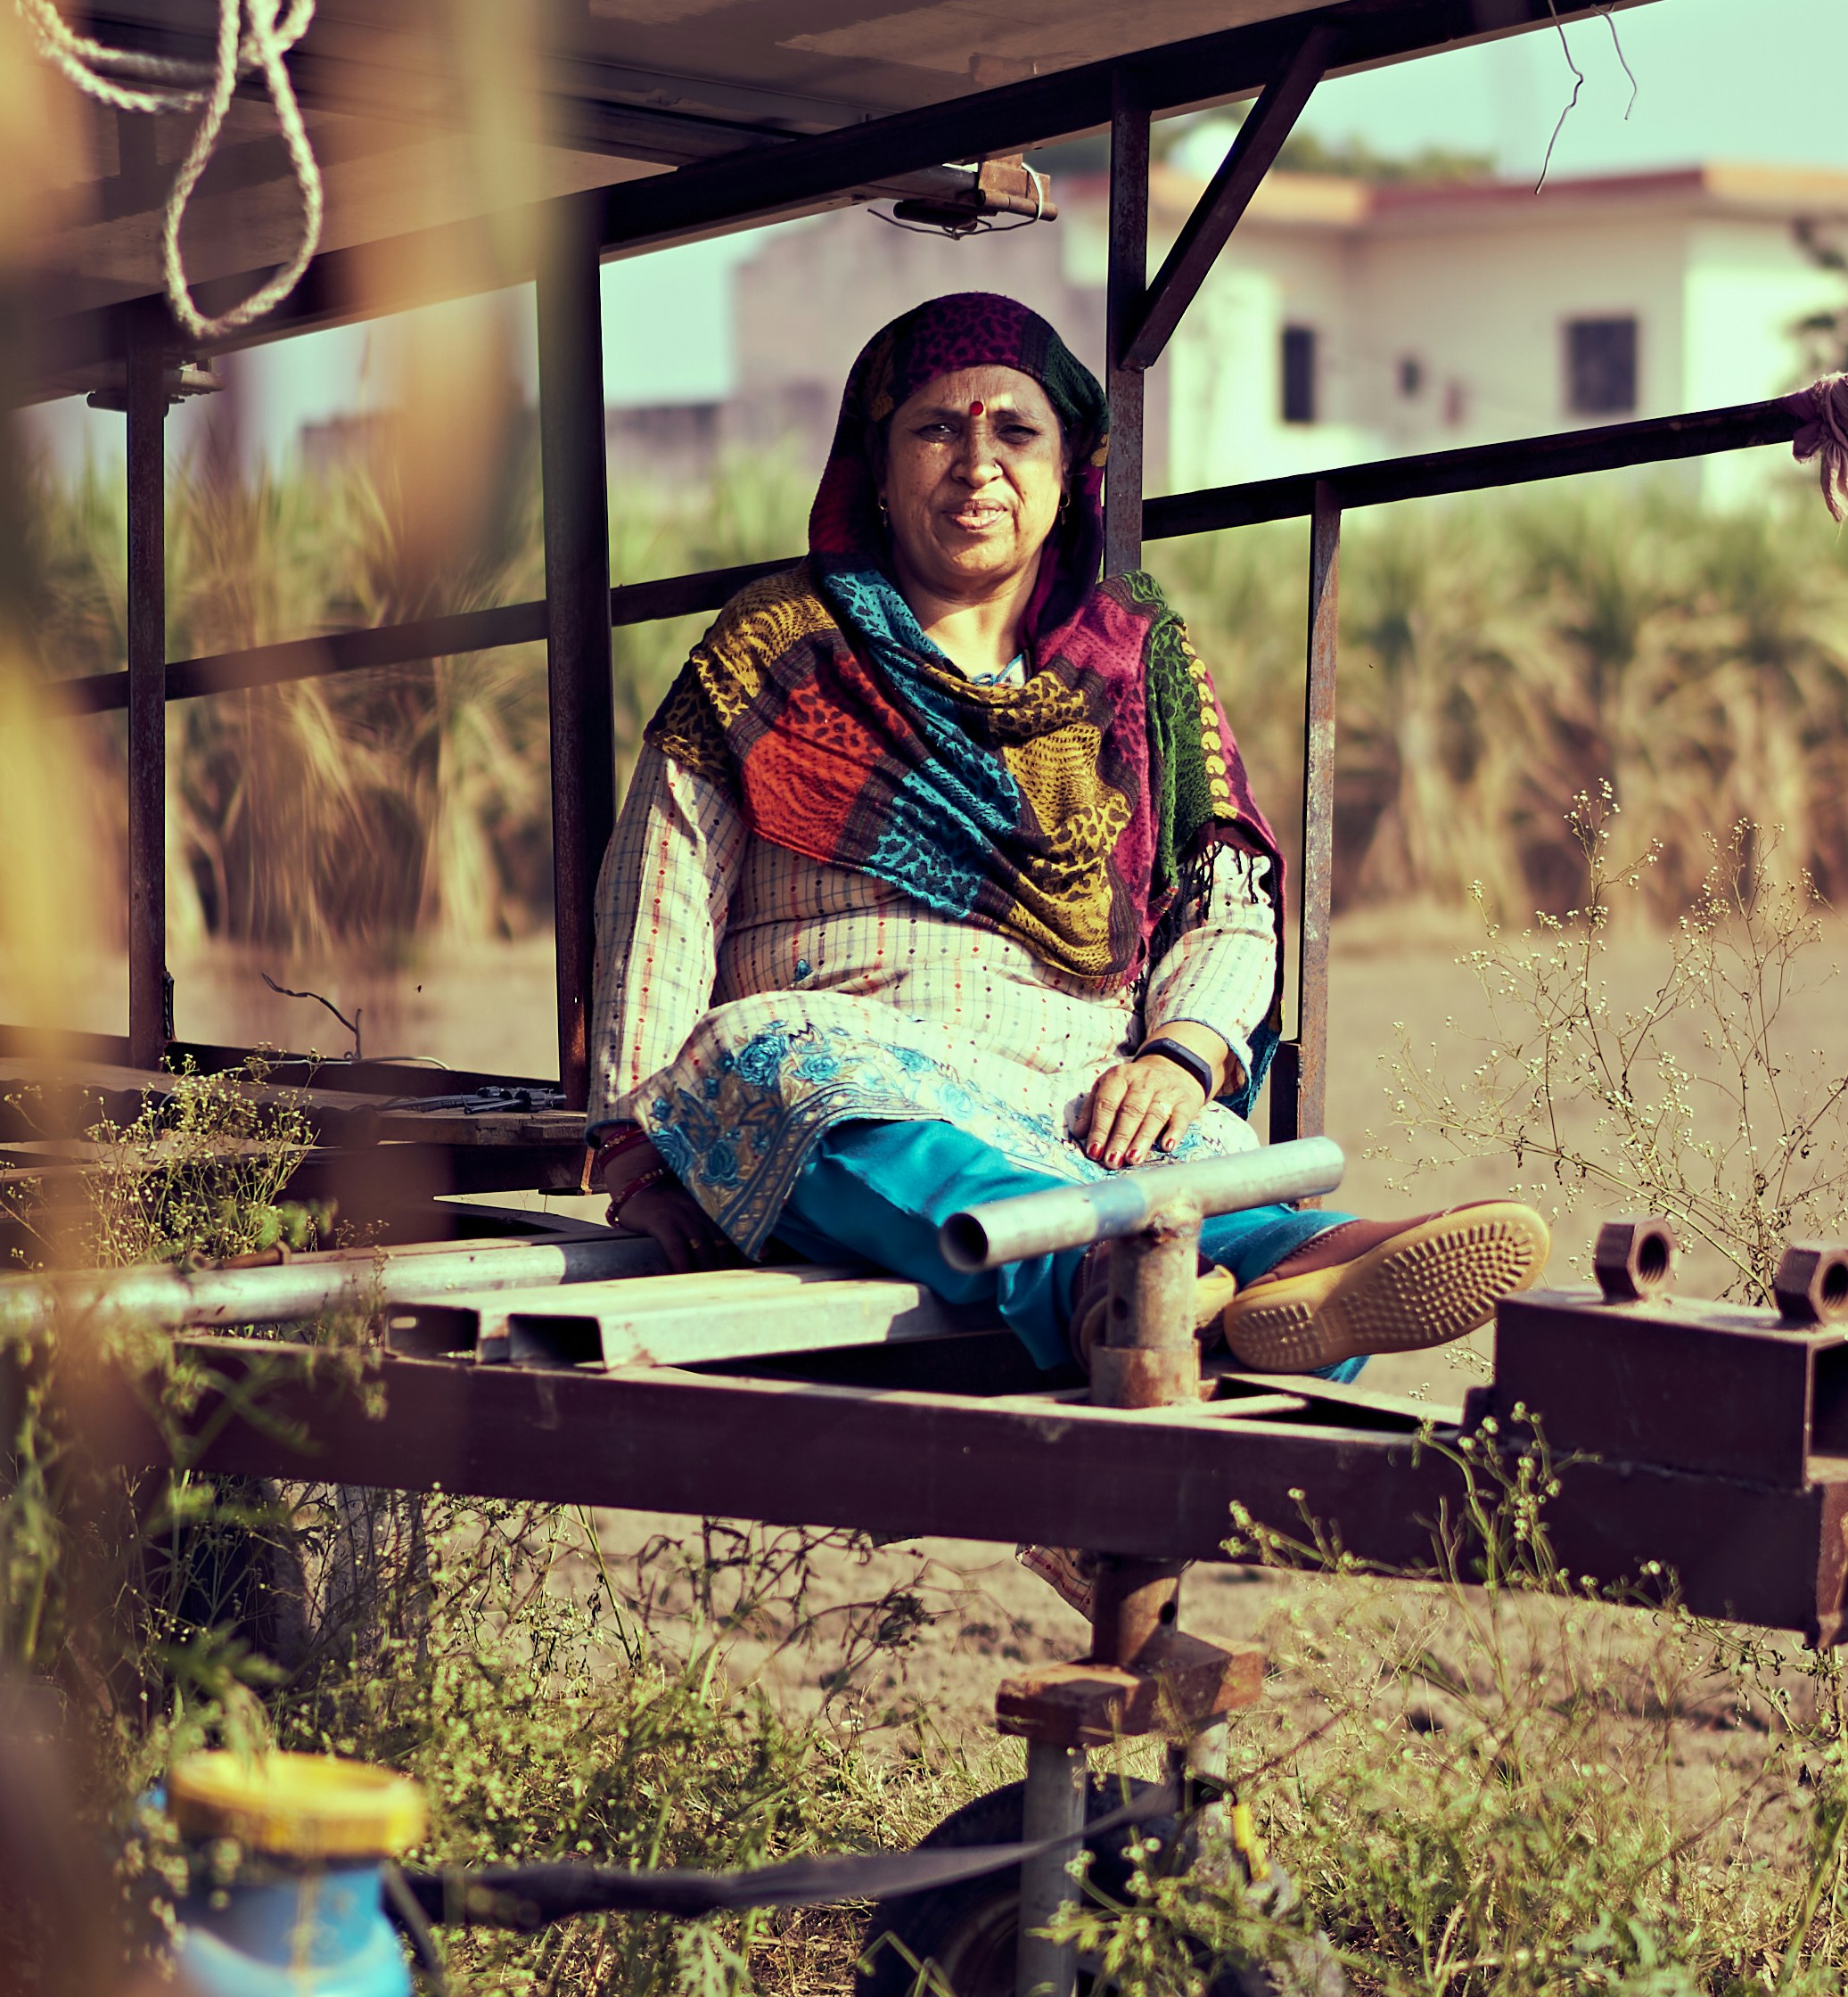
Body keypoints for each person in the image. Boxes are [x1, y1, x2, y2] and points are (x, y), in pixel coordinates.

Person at [585, 289, 1548, 1379]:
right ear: (880, 463)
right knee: (774, 1071)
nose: (975, 463)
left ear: (1067, 467)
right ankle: (1107, 1288)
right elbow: (658, 890)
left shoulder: (1134, 660)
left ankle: (1308, 1267)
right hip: (847, 1056)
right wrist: (635, 1156)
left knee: (1200, 1168)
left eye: (1015, 431)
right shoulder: (779, 643)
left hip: (1079, 1091)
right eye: (936, 428)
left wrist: (1181, 1056)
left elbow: (1226, 900)